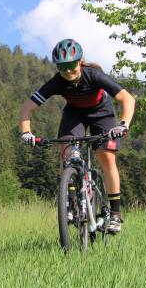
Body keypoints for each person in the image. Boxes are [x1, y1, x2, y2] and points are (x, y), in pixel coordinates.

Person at [19, 38, 135, 234]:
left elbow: (127, 98)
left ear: (80, 62)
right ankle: (71, 204)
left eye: (71, 66)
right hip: (75, 115)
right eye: (62, 67)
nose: (68, 72)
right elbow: (27, 108)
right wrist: (26, 132)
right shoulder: (57, 82)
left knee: (106, 157)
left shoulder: (94, 75)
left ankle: (115, 214)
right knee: (67, 152)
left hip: (102, 113)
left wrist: (123, 124)